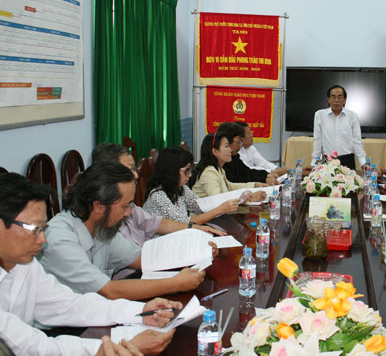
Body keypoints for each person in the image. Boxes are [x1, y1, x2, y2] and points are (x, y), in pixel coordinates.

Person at [0, 173, 177, 355]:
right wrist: (111, 349)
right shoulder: (46, 246)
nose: (43, 239)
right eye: (35, 228)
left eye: (43, 228)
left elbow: (69, 304)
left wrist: (141, 311)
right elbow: (34, 347)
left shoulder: (25, 264)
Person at [38, 163, 205, 300]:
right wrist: (175, 283)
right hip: (61, 326)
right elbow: (108, 290)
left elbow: (143, 259)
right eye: (125, 206)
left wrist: (197, 253)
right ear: (99, 206)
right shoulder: (60, 238)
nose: (129, 213)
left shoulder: (101, 228)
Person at [91, 143, 228, 279]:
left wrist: (194, 228)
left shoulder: (131, 207)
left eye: (134, 169)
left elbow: (155, 222)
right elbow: (137, 261)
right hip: (137, 273)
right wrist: (192, 255)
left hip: (150, 262)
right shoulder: (103, 221)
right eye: (129, 170)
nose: (136, 175)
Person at [143, 146, 238, 226]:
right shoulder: (158, 196)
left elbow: (201, 207)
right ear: (172, 171)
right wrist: (219, 210)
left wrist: (233, 201)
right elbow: (184, 224)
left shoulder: (180, 188)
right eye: (186, 170)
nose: (190, 175)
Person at [192, 132, 268, 201]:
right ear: (215, 151)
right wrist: (249, 198)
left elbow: (229, 187)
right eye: (226, 146)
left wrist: (255, 185)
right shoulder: (209, 172)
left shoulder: (218, 169)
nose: (230, 150)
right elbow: (218, 200)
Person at [311, 84, 366, 170]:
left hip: (348, 160)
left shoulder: (352, 116)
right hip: (327, 160)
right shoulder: (320, 115)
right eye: (333, 97)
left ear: (345, 100)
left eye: (340, 97)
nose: (336, 100)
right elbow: (318, 140)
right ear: (328, 99)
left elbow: (357, 141)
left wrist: (363, 163)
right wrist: (314, 162)